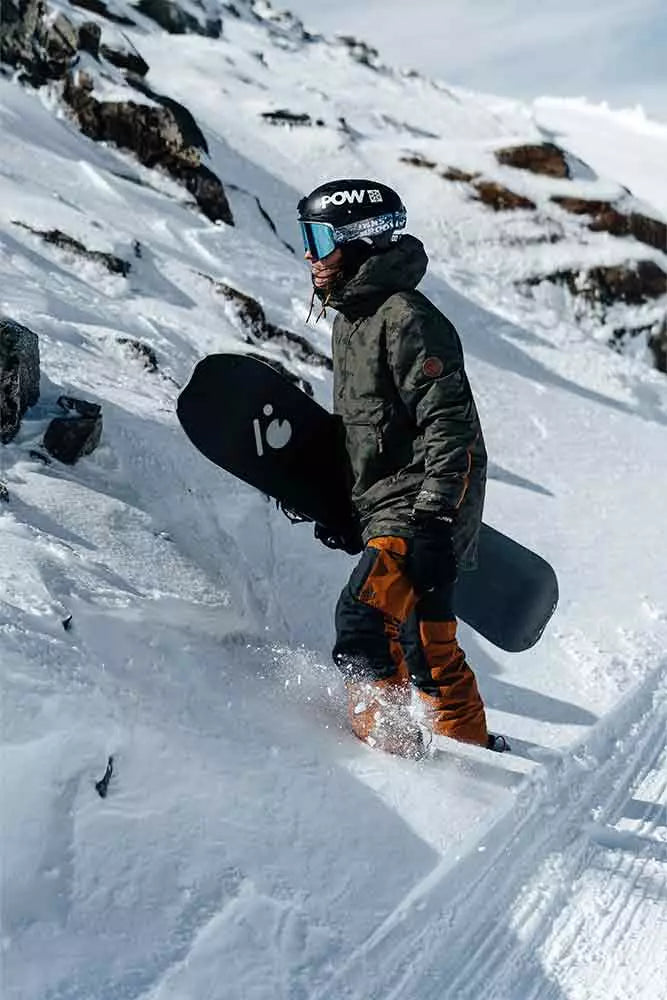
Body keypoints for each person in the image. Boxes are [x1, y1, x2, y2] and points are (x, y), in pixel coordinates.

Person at [297, 179, 505, 759]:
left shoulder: (406, 317)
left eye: (317, 239)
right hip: (392, 507)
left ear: (358, 241)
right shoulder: (354, 320)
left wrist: (436, 520)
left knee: (362, 622)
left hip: (426, 506)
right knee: (426, 645)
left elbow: (450, 426)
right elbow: (368, 430)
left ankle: (395, 761)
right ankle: (475, 761)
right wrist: (346, 506)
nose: (309, 255)